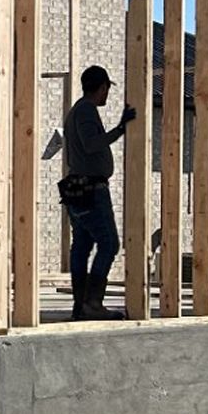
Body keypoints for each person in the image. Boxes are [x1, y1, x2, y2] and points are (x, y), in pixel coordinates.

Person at [62, 64, 137, 320]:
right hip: (90, 189)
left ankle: (80, 306)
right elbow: (91, 144)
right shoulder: (85, 110)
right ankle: (92, 304)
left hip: (79, 188)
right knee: (109, 244)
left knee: (82, 245)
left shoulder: (80, 111)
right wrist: (120, 129)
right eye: (106, 89)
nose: (107, 95)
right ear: (102, 87)